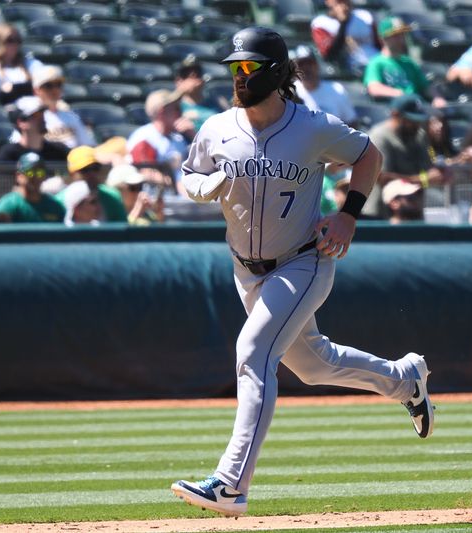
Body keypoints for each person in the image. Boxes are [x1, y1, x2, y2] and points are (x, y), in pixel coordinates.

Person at [170, 26, 434, 518]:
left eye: (249, 67)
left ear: (276, 73)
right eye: (234, 68)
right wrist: (201, 185)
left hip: (303, 261)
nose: (238, 76)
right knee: (314, 367)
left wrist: (349, 213)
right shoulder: (216, 129)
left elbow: (367, 155)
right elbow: (189, 174)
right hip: (247, 272)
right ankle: (404, 379)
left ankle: (231, 483)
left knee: (252, 352)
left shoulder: (311, 126)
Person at [364, 94, 450, 219]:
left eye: (418, 120)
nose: (417, 124)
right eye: (411, 120)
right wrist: (423, 179)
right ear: (395, 115)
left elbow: (427, 170)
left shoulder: (418, 136)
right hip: (380, 214)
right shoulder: (379, 137)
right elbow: (382, 178)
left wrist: (441, 173)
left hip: (412, 212)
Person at [125, 89, 191, 196]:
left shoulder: (179, 138)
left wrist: (193, 135)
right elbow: (145, 173)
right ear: (162, 111)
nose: (180, 113)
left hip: (184, 198)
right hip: (160, 199)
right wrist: (175, 182)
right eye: (176, 108)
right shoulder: (144, 137)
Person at [363, 16, 433, 103]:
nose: (400, 39)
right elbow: (374, 88)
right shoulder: (376, 63)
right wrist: (400, 94)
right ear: (383, 39)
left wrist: (437, 98)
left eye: (402, 35)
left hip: (415, 104)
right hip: (393, 107)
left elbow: (425, 86)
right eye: (395, 36)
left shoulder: (409, 62)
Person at [28, 65, 95, 149]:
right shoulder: (30, 118)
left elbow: (89, 146)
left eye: (58, 84)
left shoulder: (71, 116)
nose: (55, 90)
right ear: (36, 90)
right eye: (48, 85)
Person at [290, 45, 357, 127]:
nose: (306, 69)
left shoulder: (336, 90)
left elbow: (351, 122)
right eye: (301, 65)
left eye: (309, 64)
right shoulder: (290, 91)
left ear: (317, 65)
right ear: (295, 69)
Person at [58, 145, 127, 222]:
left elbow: (122, 229)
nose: (92, 174)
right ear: (72, 174)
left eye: (95, 168)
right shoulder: (59, 202)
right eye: (85, 170)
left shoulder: (112, 197)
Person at [311, 0, 379, 76]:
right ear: (328, 2)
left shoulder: (365, 17)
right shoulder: (321, 23)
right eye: (339, 2)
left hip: (376, 63)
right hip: (350, 70)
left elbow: (380, 45)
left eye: (346, 1)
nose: (344, 5)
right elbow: (329, 55)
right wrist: (344, 22)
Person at [0, 152, 66, 223]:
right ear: (18, 176)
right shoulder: (9, 204)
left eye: (39, 173)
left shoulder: (54, 206)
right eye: (30, 173)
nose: (35, 177)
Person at [0, 23, 43, 105]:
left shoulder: (30, 63)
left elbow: (46, 80)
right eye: (10, 40)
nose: (15, 44)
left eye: (18, 40)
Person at [0, 95, 69, 162]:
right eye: (36, 116)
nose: (42, 119)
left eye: (42, 114)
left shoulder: (58, 151)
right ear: (21, 123)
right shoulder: (8, 154)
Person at [175, 57, 218, 133]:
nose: (193, 76)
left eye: (198, 73)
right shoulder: (174, 107)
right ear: (178, 81)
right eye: (186, 74)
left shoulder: (217, 102)